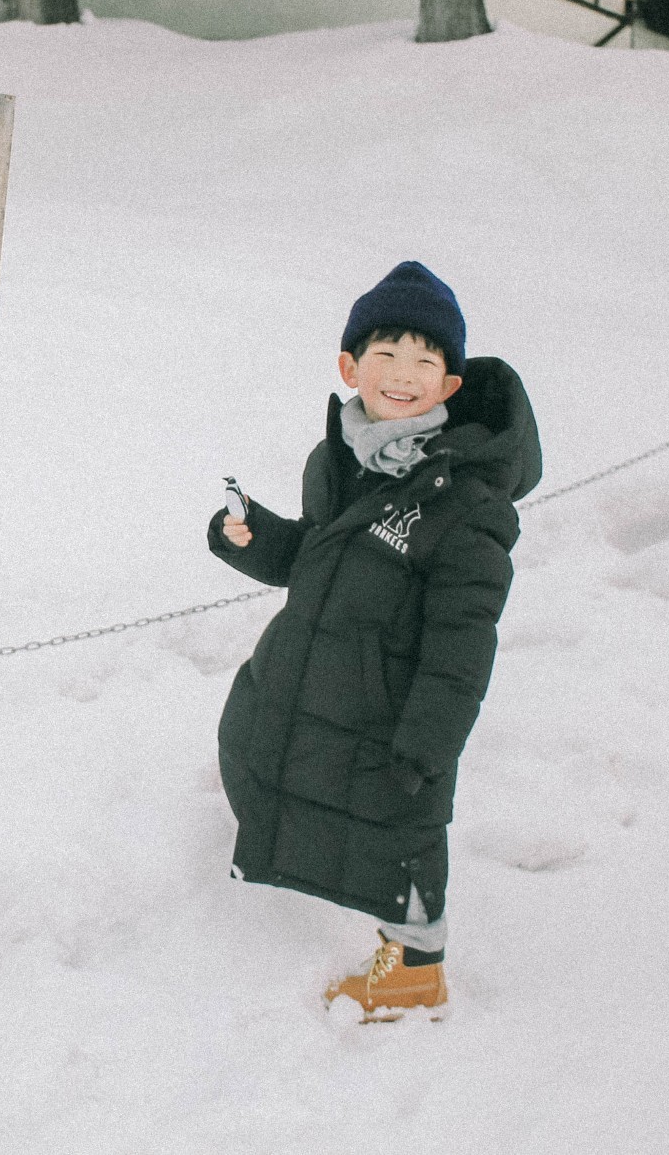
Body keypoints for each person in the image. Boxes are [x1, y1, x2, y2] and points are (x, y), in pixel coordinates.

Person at [207, 261, 541, 1019]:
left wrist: (429, 741)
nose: (404, 374)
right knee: (265, 757)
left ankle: (417, 969)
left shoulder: (466, 501)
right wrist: (253, 535)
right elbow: (316, 560)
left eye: (427, 361)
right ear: (350, 366)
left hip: (394, 711)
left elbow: (464, 641)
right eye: (387, 355)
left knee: (404, 832)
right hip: (320, 686)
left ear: (449, 386)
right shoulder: (341, 459)